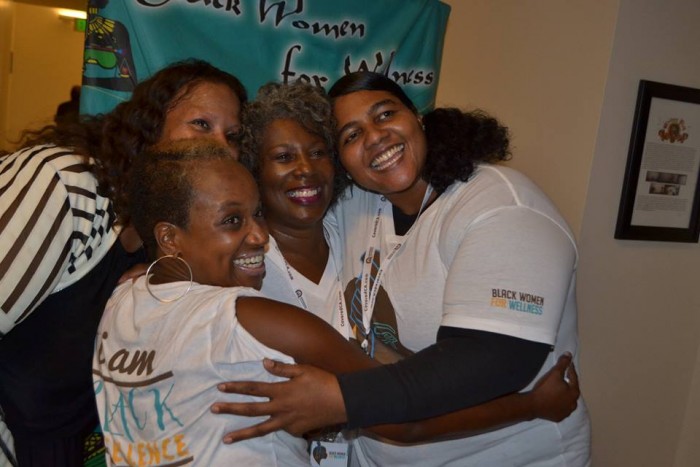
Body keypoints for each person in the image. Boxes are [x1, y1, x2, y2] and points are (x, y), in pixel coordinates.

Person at [94, 139, 579, 466]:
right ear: (169, 238)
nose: (259, 235)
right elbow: (403, 424)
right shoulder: (256, 319)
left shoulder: (122, 302)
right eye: (232, 221)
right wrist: (532, 405)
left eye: (256, 213)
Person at [215, 72, 591, 466]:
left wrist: (341, 399)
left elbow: (491, 360)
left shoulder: (500, 207)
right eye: (351, 135)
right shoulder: (359, 205)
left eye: (385, 114)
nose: (374, 137)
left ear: (419, 117)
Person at [0, 59, 246, 466]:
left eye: (232, 135)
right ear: (148, 130)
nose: (220, 146)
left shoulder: (159, 239)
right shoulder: (66, 184)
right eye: (201, 124)